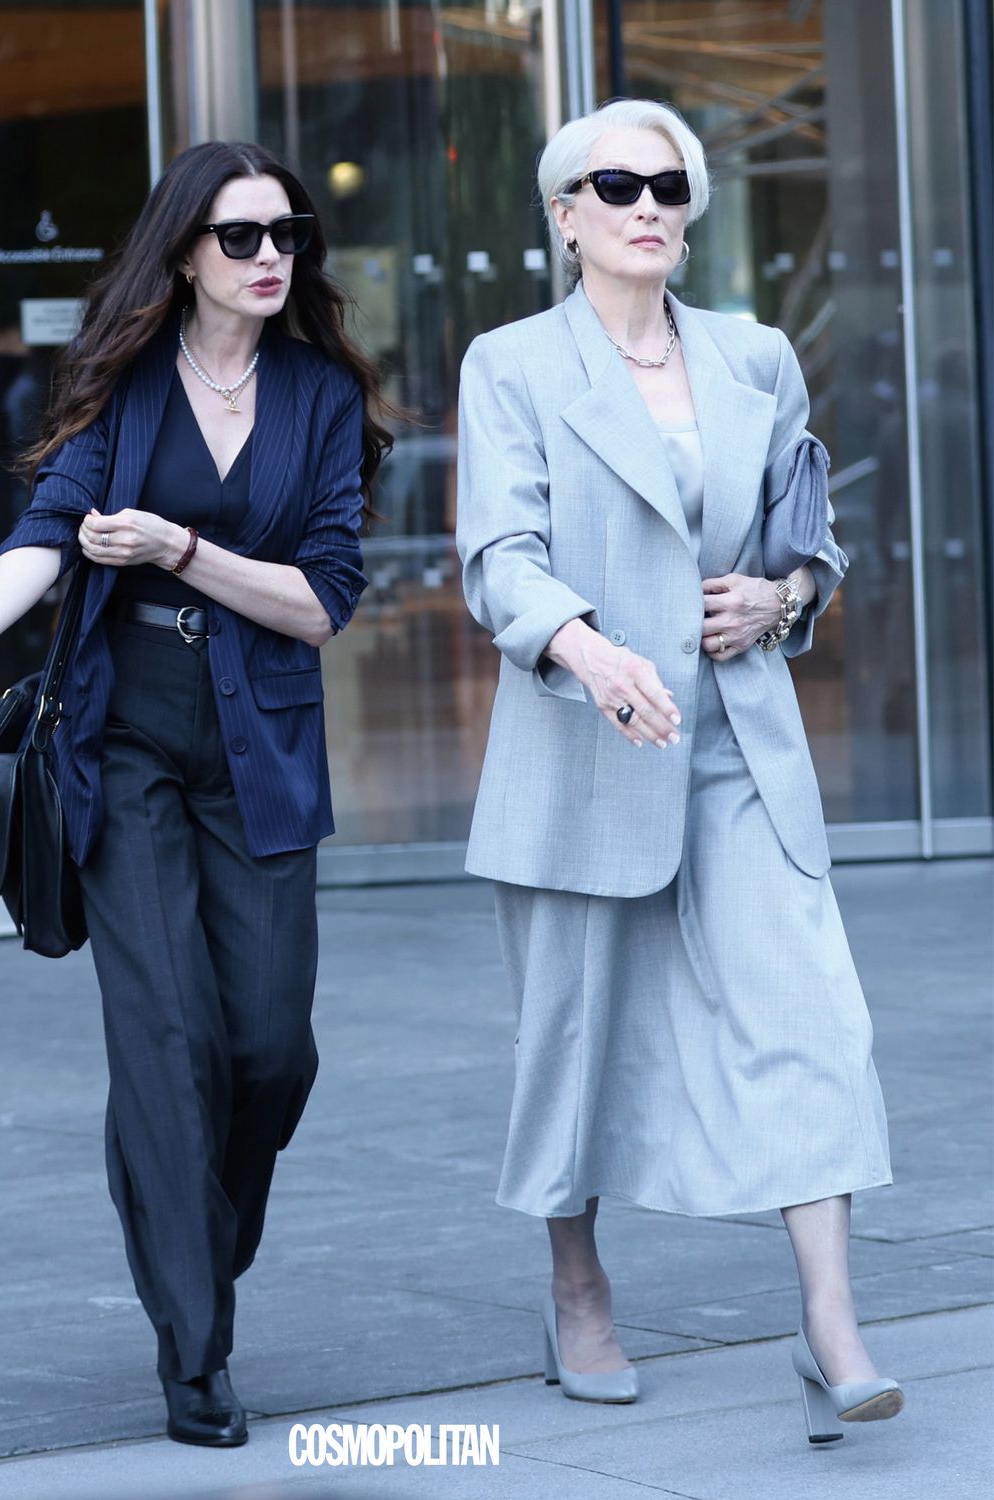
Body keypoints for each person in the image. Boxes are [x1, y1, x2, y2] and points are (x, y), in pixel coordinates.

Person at [0, 140, 391, 1448]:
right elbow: (48, 533)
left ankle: (194, 1235)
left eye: (287, 235)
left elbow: (323, 601)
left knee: (268, 1049)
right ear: (184, 253)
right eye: (240, 237)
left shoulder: (321, 396)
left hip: (262, 736)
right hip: (126, 735)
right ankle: (194, 1351)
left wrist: (179, 548)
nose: (269, 257)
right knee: (167, 1039)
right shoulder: (128, 384)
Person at [455, 98, 904, 1445]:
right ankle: (577, 1290)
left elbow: (809, 536)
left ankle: (831, 1329)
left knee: (810, 1019)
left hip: (740, 746)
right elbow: (499, 558)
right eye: (615, 185)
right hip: (587, 741)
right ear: (565, 215)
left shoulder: (755, 356)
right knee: (574, 1039)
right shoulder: (511, 366)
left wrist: (782, 598)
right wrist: (588, 651)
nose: (645, 205)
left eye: (667, 186)